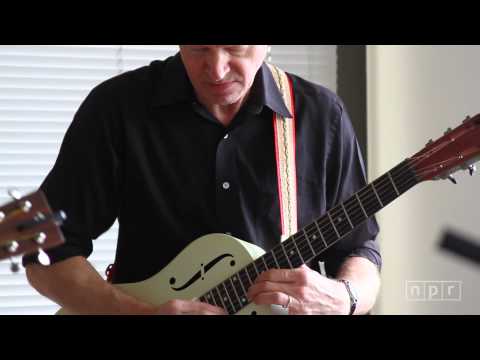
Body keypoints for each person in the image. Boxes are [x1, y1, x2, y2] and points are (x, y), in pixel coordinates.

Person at [23, 45, 381, 315]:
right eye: (198, 48)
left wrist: (343, 298)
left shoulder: (320, 115)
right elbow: (35, 248)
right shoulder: (116, 108)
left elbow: (359, 249)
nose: (216, 69)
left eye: (234, 47)